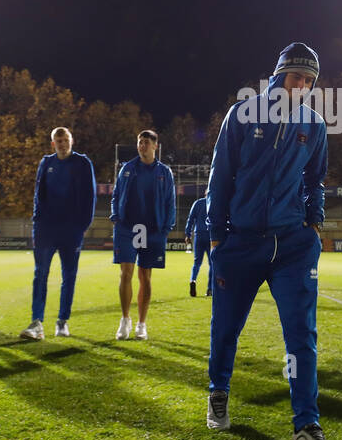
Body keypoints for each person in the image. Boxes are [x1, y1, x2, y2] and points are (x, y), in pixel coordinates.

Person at [205, 42, 337, 440]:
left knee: (302, 336)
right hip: (240, 243)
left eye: (309, 80)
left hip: (293, 245)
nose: (301, 85)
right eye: (296, 76)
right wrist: (215, 235)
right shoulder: (242, 113)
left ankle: (307, 428)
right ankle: (218, 393)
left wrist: (313, 223)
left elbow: (315, 179)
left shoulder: (314, 124)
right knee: (226, 329)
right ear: (278, 75)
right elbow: (220, 175)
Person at [21, 127, 96, 340]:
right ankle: (37, 322)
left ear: (71, 141)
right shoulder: (47, 163)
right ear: (53, 143)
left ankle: (62, 321)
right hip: (46, 229)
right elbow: (39, 194)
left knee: (69, 276)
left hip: (71, 230)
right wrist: (37, 222)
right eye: (58, 140)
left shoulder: (82, 163)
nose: (62, 144)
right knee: (40, 274)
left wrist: (82, 226)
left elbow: (90, 196)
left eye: (65, 140)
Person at [109, 129, 176, 340]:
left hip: (152, 229)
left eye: (146, 142)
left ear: (155, 146)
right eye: (140, 142)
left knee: (145, 277)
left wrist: (166, 229)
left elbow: (170, 202)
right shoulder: (127, 169)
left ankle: (141, 324)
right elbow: (116, 193)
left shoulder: (164, 172)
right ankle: (125, 320)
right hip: (127, 228)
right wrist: (115, 216)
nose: (142, 146)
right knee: (125, 273)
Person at [184, 197, 213, 298]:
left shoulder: (198, 203)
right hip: (211, 236)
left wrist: (187, 234)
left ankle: (193, 280)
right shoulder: (215, 202)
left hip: (199, 235)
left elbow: (190, 218)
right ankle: (210, 289)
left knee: (197, 262)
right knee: (212, 263)